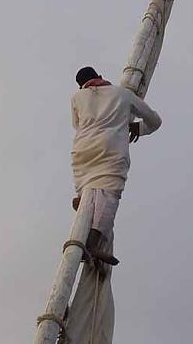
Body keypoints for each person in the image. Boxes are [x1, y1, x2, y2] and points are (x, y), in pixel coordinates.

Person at [70, 66, 162, 271]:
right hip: (110, 150)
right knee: (110, 194)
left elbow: (77, 125)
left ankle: (84, 204)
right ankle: (93, 243)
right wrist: (138, 127)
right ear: (100, 76)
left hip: (83, 152)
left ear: (81, 86)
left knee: (88, 189)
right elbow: (155, 121)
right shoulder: (123, 94)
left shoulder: (77, 98)